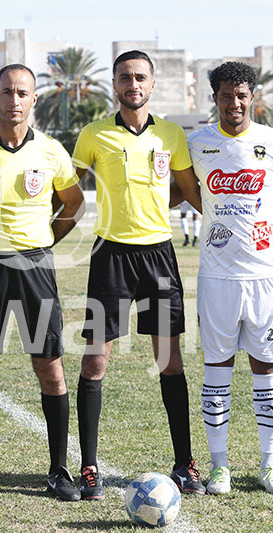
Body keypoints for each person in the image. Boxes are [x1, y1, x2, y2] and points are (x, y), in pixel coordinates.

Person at [0, 64, 84, 503]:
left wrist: (45, 241)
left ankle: (59, 471)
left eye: (22, 92)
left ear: (33, 100)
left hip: (36, 269)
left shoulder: (52, 152)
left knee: (50, 366)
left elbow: (73, 204)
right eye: (6, 91)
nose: (14, 100)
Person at [72, 50, 204, 499]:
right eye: (126, 77)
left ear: (152, 85)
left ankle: (185, 464)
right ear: (115, 84)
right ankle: (89, 467)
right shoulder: (92, 136)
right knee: (95, 360)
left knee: (170, 361)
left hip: (159, 257)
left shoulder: (170, 135)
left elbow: (189, 192)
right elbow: (66, 192)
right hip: (110, 256)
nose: (134, 84)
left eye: (141, 78)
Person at [187, 61, 273, 496]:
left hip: (266, 276)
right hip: (217, 276)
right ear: (214, 98)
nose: (233, 103)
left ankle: (268, 465)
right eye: (225, 95)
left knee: (267, 366)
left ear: (252, 96)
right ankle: (219, 466)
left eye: (241, 95)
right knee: (217, 367)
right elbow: (185, 189)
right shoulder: (197, 144)